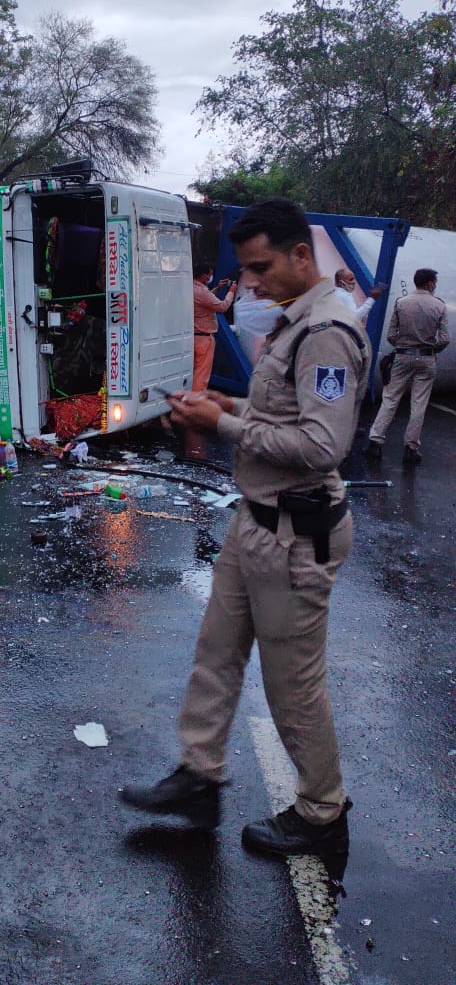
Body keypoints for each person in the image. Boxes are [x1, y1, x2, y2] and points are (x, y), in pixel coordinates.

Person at [120, 197, 370, 857]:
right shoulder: (296, 322)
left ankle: (322, 812)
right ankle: (199, 777)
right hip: (255, 523)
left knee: (294, 688)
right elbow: (279, 410)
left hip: (296, 534)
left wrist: (221, 426)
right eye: (246, 269)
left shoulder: (328, 333)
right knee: (215, 654)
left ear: (299, 256)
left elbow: (321, 445)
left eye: (261, 268)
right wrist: (222, 403)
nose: (250, 283)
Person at [365, 268, 449, 465]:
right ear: (430, 284)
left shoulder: (401, 303)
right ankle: (411, 448)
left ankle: (375, 442)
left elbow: (391, 335)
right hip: (427, 358)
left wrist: (402, 346)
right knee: (419, 403)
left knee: (391, 398)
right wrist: (431, 349)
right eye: (434, 282)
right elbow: (445, 338)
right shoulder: (439, 306)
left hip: (403, 356)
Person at [192, 265, 237, 391]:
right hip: (204, 339)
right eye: (208, 274)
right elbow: (223, 307)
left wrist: (217, 288)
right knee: (201, 375)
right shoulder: (201, 292)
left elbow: (203, 300)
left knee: (191, 373)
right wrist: (231, 291)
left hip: (192, 337)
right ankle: (196, 403)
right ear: (203, 275)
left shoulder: (191, 288)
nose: (209, 277)